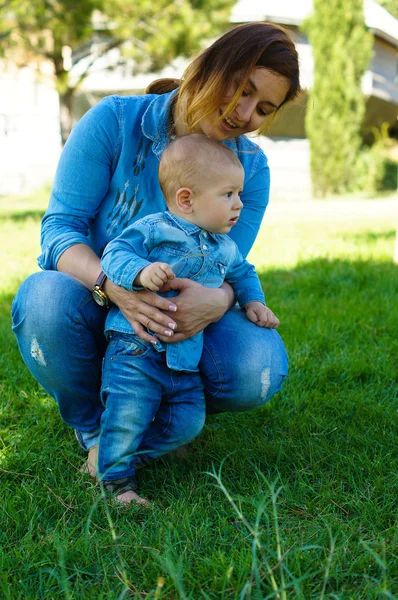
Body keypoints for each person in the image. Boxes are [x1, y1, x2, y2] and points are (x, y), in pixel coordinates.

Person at [11, 22, 300, 482]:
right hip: (94, 297)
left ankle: (162, 422)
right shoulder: (114, 122)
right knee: (43, 299)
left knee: (257, 366)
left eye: (263, 108)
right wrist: (115, 289)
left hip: (179, 311)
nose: (244, 113)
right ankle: (95, 431)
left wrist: (221, 300)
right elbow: (60, 232)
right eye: (242, 89)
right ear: (209, 66)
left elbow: (227, 261)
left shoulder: (251, 167)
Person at [98, 135, 280, 504]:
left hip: (184, 360)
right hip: (137, 347)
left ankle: (112, 457)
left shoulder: (225, 247)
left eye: (240, 194)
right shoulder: (154, 229)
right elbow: (114, 252)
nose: (240, 204)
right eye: (228, 194)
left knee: (187, 423)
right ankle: (117, 484)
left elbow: (243, 273)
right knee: (128, 414)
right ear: (186, 199)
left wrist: (254, 302)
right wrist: (139, 272)